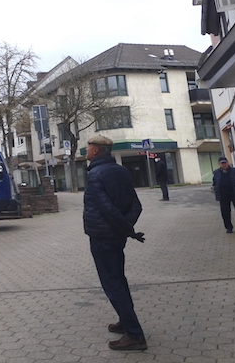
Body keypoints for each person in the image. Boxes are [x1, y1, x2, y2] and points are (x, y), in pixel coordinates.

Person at [83, 135, 147, 351]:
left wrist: (125, 229)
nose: (86, 151)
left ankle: (135, 335)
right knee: (119, 279)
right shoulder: (122, 171)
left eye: (89, 148)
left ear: (96, 151)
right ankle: (125, 321)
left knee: (113, 285)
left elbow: (106, 209)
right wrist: (127, 228)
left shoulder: (95, 175)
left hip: (103, 237)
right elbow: (136, 205)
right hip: (117, 237)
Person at [212, 156, 235, 234]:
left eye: (225, 163)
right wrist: (215, 190)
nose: (224, 165)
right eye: (222, 163)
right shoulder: (216, 173)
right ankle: (229, 228)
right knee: (225, 212)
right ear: (219, 164)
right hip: (223, 194)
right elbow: (214, 183)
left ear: (228, 163)